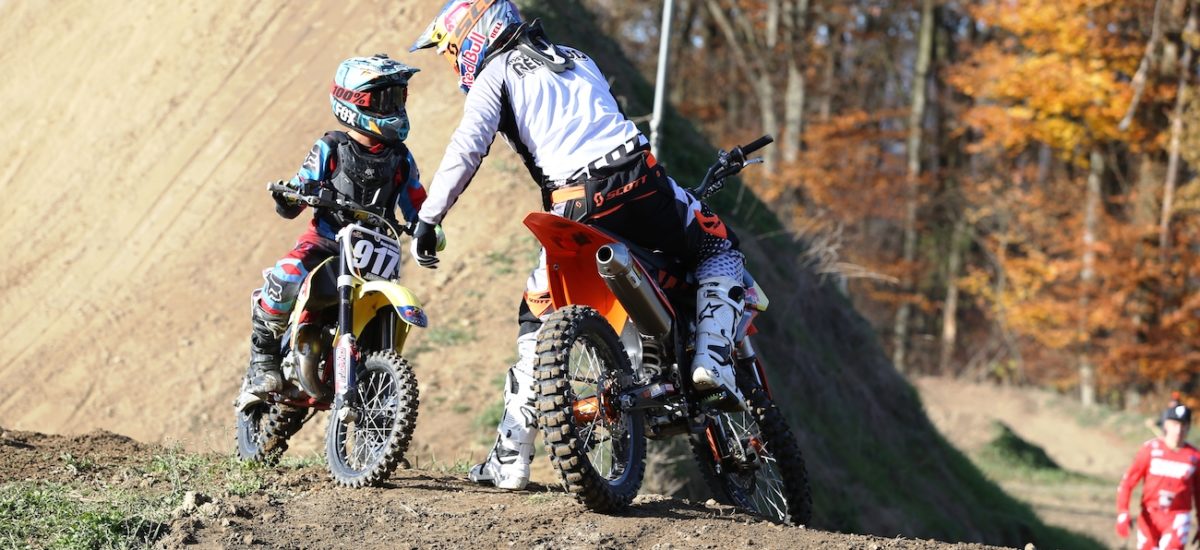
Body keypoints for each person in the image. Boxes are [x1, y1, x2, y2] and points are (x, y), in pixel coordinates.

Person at [408, 0, 749, 491]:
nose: (453, 61)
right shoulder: (577, 56)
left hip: (577, 203)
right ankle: (712, 360)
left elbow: (467, 148)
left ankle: (510, 456)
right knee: (718, 247)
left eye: (452, 49)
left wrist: (429, 216)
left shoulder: (495, 75)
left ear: (474, 34)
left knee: (537, 312)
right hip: (642, 179)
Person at [242, 54, 427, 398]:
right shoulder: (331, 148)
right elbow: (301, 183)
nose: (395, 106)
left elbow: (416, 202)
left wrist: (428, 226)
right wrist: (294, 194)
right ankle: (262, 360)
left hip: (374, 251)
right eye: (385, 99)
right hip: (327, 241)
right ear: (354, 102)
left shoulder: (401, 158)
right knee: (286, 276)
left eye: (398, 98)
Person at [1116, 403, 1200, 550]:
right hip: (1149, 514)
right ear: (1166, 424)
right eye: (1175, 424)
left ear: (1188, 427)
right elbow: (1128, 482)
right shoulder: (1150, 449)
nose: (1179, 430)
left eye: (1183, 425)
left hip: (1177, 516)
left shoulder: (1194, 457)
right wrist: (1123, 512)